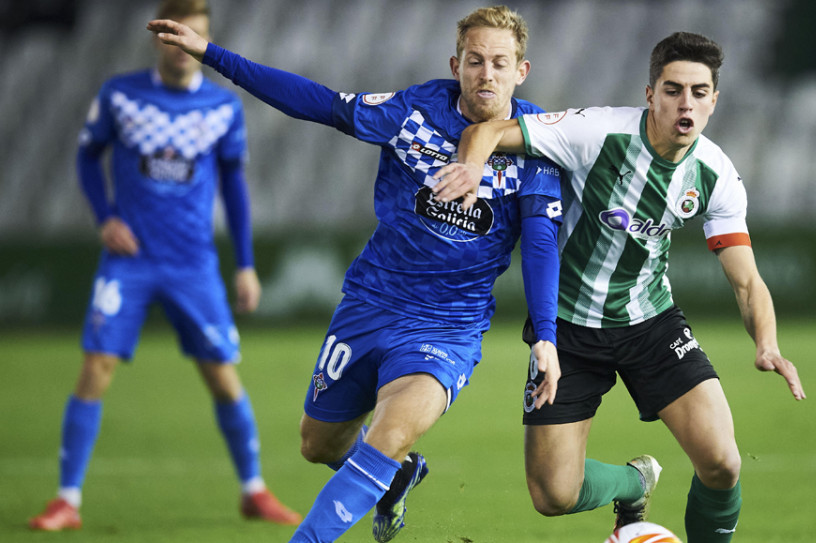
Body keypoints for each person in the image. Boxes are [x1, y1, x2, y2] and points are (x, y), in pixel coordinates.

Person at [149, 5, 572, 543]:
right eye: (475, 61)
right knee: (318, 445)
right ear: (456, 64)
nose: (486, 73)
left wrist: (546, 338)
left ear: (522, 70)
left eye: (499, 63)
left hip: (446, 326)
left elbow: (539, 243)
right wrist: (213, 55)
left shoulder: (538, 144)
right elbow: (319, 104)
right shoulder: (412, 111)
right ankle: (394, 484)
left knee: (390, 432)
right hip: (371, 303)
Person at [434, 31, 806, 542]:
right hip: (566, 330)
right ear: (650, 94)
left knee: (722, 461)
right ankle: (634, 482)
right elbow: (487, 131)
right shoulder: (597, 132)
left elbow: (746, 282)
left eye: (699, 92)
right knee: (552, 496)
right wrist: (471, 171)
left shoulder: (715, 175)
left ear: (714, 101)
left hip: (651, 323)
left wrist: (767, 344)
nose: (686, 103)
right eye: (673, 89)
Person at [28, 0, 302, 532]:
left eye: (194, 37)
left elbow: (234, 189)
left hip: (193, 265)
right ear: (158, 39)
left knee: (222, 377)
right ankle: (67, 499)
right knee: (96, 367)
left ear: (204, 40)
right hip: (127, 261)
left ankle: (253, 490)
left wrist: (245, 265)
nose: (183, 48)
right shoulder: (121, 95)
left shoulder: (223, 109)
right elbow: (87, 156)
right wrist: (105, 216)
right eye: (176, 37)